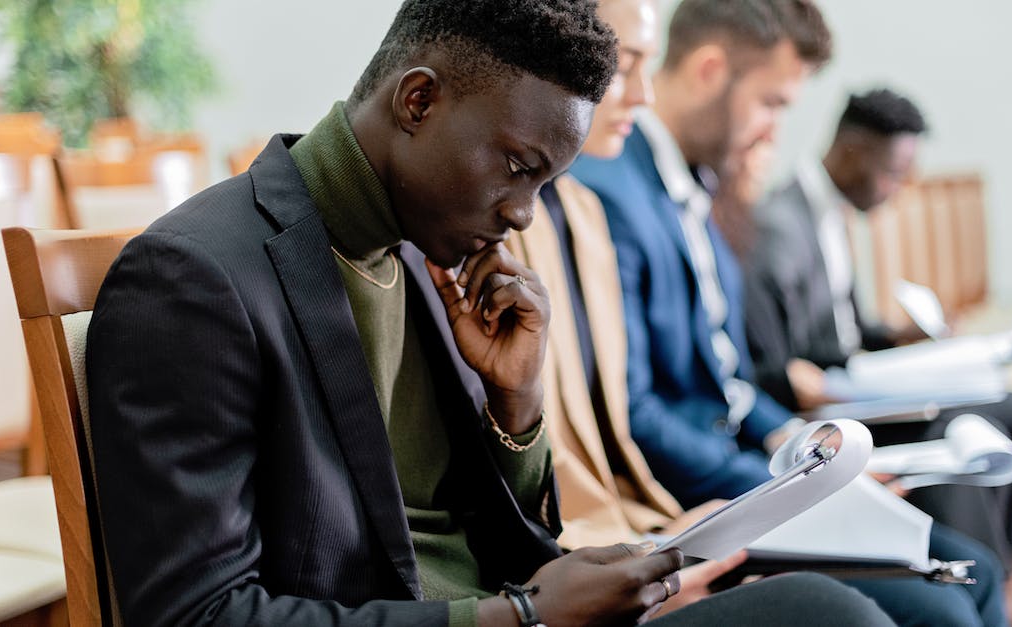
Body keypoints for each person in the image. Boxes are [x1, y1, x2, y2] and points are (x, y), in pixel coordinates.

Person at [84, 0, 895, 625]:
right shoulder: (192, 277)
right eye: (517, 167)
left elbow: (485, 528)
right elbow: (199, 614)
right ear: (418, 100)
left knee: (846, 600)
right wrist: (521, 616)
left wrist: (518, 408)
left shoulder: (419, 244)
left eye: (544, 184)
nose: (523, 216)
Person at [570, 1, 1008, 625]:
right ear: (710, 70)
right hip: (700, 495)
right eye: (772, 103)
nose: (775, 130)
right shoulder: (612, 191)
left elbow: (733, 380)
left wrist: (800, 446)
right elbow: (634, 411)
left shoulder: (693, 186)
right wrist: (780, 487)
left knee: (976, 571)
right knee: (948, 609)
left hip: (746, 471)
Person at [749, 88, 1012, 579]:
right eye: (893, 173)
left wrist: (900, 337)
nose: (898, 188)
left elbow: (842, 326)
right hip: (835, 409)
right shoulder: (780, 226)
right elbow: (784, 362)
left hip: (870, 384)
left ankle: (1007, 574)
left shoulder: (830, 212)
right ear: (852, 151)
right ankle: (985, 583)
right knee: (961, 432)